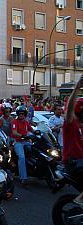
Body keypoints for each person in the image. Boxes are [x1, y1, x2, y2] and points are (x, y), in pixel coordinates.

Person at [60, 77, 83, 205]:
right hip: (73, 162)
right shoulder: (71, 124)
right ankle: (78, 202)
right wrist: (77, 88)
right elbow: (69, 110)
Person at [11, 105, 35, 185]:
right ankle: (23, 178)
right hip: (18, 142)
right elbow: (14, 132)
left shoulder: (26, 122)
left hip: (26, 141)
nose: (21, 115)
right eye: (20, 114)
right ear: (17, 114)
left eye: (23, 114)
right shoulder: (14, 121)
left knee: (36, 151)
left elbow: (31, 129)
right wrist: (22, 136)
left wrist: (37, 132)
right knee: (21, 157)